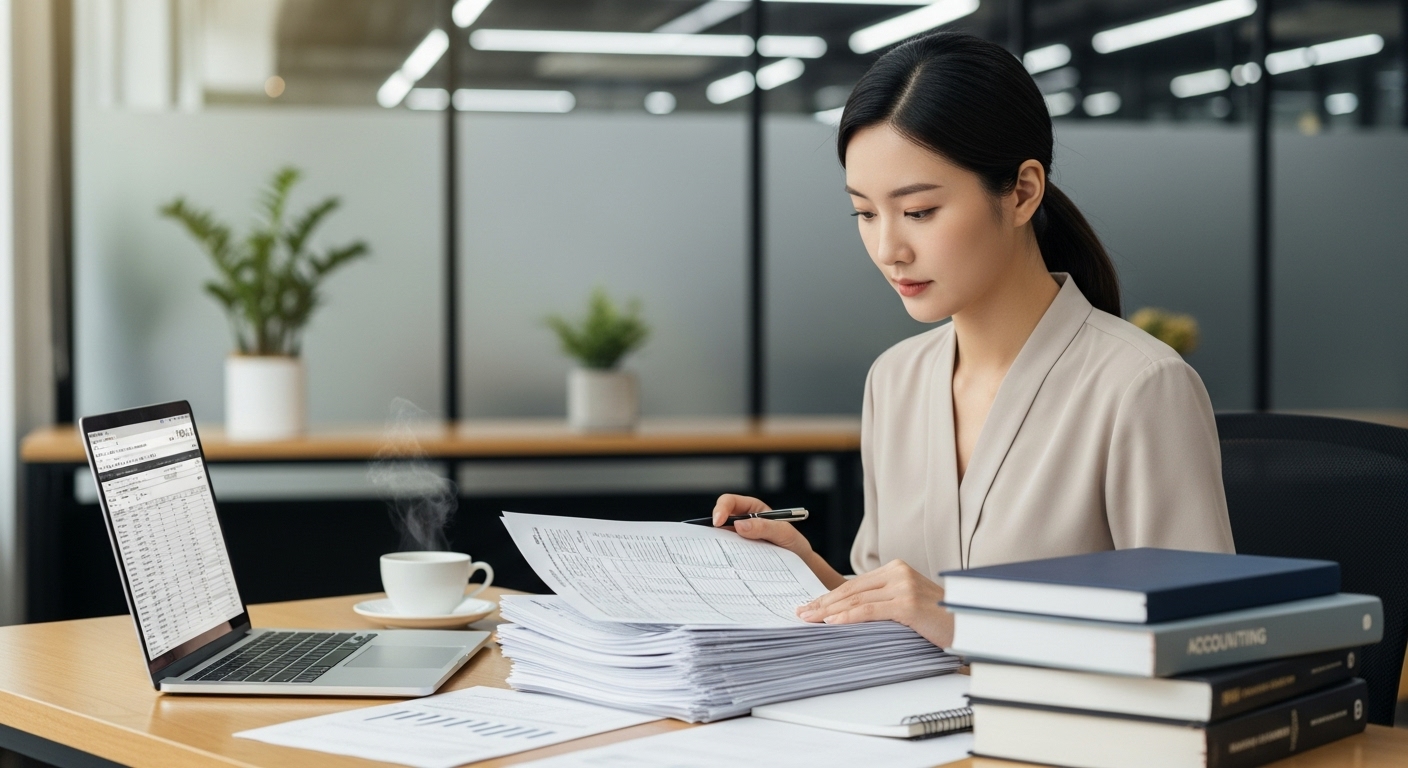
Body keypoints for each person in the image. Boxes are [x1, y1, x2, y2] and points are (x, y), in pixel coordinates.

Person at [713, 32, 1235, 648]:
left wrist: (964, 624)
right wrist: (806, 567)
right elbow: (904, 606)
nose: (888, 249)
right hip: (910, 712)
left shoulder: (1139, 386)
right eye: (866, 213)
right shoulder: (895, 379)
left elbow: (1203, 639)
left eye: (919, 211)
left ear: (1022, 192)